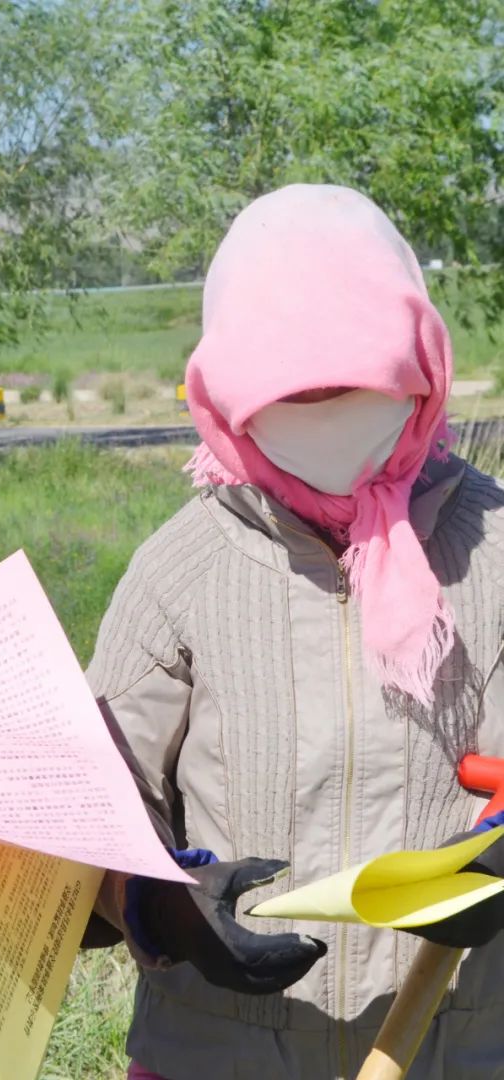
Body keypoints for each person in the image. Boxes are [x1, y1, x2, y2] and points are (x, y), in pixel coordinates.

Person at [87, 185, 504, 1079]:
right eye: (292, 394)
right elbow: (89, 823)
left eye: (351, 385)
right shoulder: (180, 573)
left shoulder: (498, 549)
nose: (325, 417)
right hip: (222, 1055)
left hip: (455, 1047)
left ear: (421, 367)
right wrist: (162, 908)